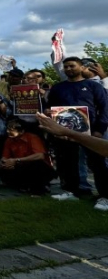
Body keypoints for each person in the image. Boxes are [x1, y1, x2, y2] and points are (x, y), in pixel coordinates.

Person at [47, 57, 108, 209]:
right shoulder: (58, 88)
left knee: (98, 164)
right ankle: (72, 191)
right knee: (69, 162)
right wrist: (48, 112)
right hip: (66, 132)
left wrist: (99, 130)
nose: (68, 69)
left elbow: (105, 108)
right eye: (65, 67)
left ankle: (105, 196)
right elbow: (50, 107)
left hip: (91, 132)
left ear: (81, 67)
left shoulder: (93, 86)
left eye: (72, 66)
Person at [0, 119, 56, 195]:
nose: (8, 131)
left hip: (37, 167)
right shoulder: (9, 140)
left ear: (21, 131)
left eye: (11, 130)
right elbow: (5, 156)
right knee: (3, 171)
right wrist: (4, 163)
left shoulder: (32, 138)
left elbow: (40, 155)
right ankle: (24, 185)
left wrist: (16, 160)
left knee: (36, 165)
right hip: (20, 166)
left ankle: (38, 190)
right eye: (7, 129)